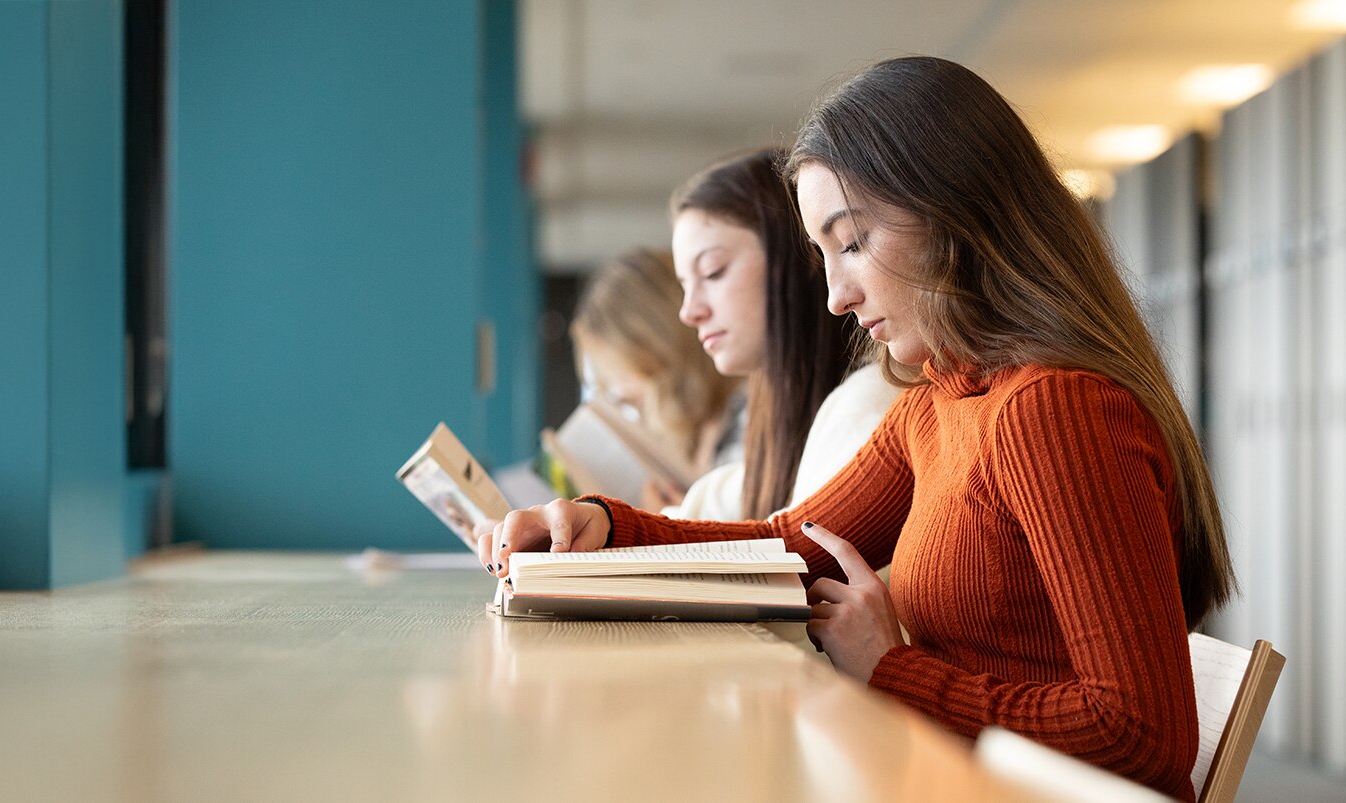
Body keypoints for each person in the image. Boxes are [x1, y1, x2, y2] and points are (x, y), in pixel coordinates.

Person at [479, 56, 1235, 802]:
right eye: (822, 254)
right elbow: (790, 545)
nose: (837, 296)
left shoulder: (1053, 409)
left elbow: (1142, 735)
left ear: (954, 214)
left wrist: (893, 671)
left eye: (852, 241)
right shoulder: (940, 400)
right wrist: (603, 529)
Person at [663, 148, 901, 521]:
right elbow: (718, 504)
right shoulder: (777, 420)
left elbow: (798, 558)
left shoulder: (866, 406)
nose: (689, 311)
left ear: (798, 257)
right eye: (684, 285)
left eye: (712, 273)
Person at [569, 247, 746, 505]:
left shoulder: (747, 418)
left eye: (619, 370)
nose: (619, 390)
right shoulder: (690, 432)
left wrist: (667, 523)